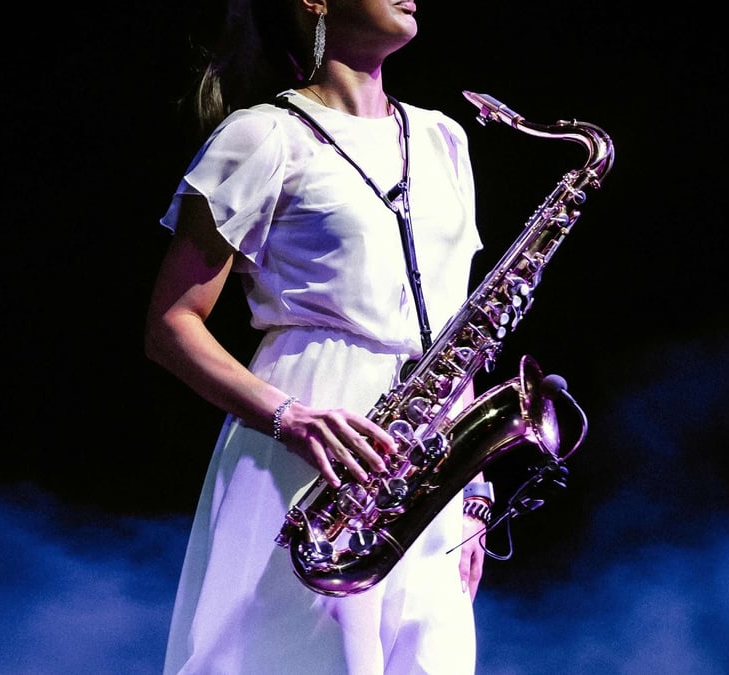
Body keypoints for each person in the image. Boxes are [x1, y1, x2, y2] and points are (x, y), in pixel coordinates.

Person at [145, 1, 494, 672]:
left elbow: (458, 336)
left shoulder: (445, 138)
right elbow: (170, 322)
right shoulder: (263, 136)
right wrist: (291, 417)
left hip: (431, 454)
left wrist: (474, 487)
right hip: (310, 432)